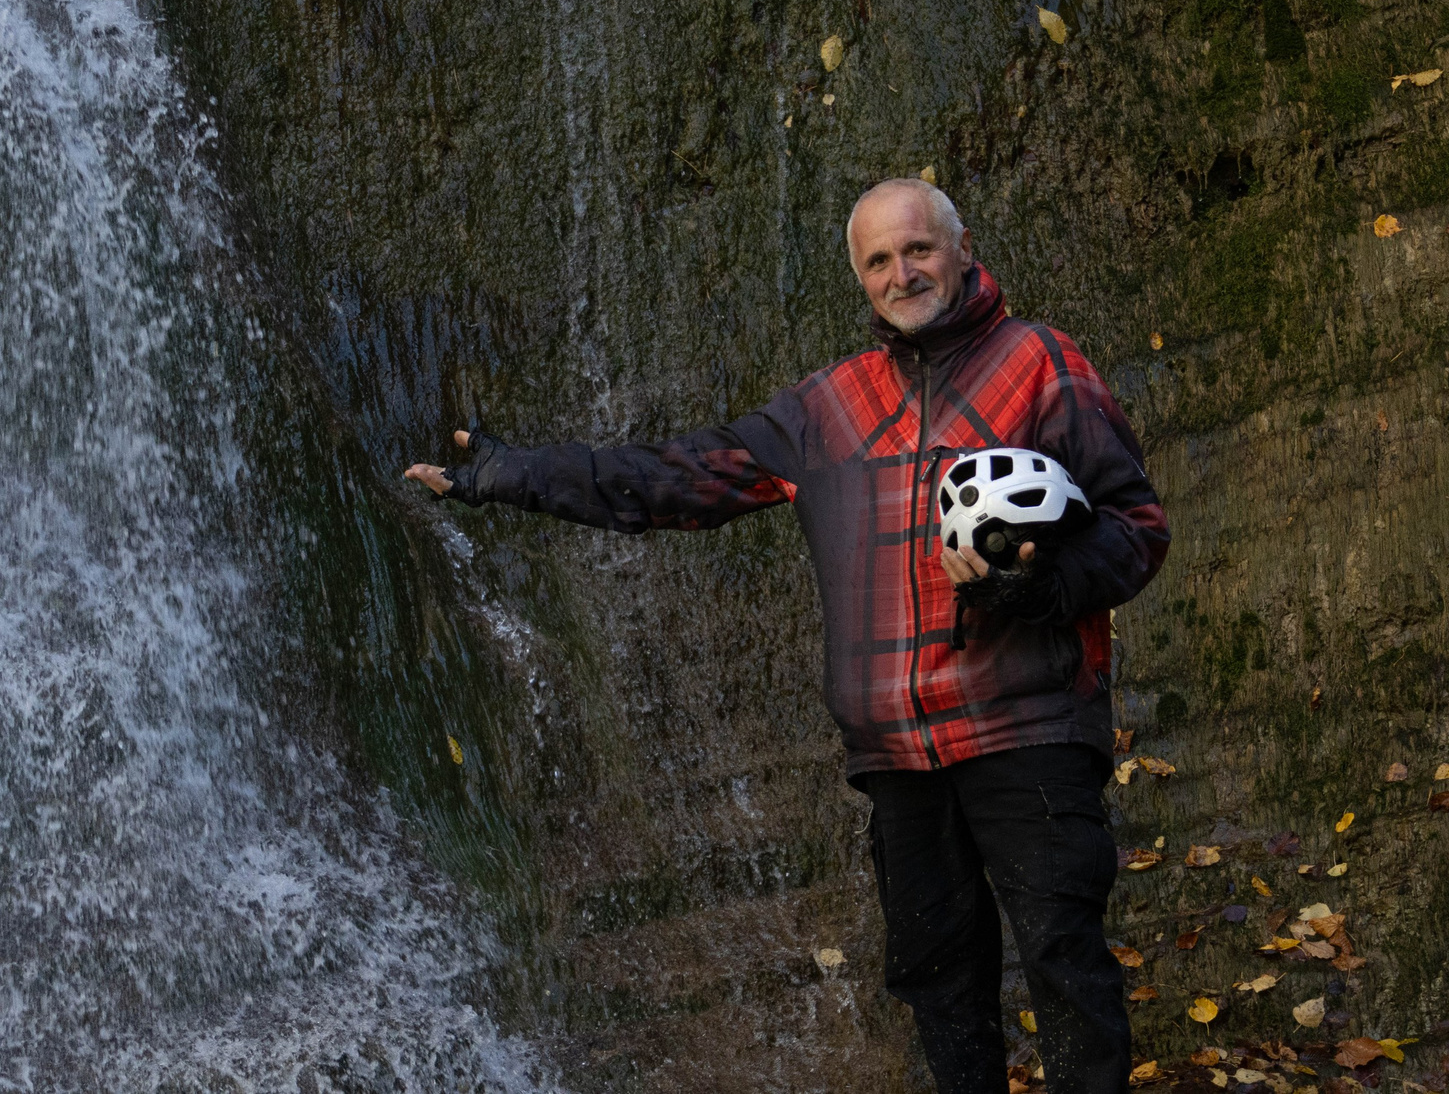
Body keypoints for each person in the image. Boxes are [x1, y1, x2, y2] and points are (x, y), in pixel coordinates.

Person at [404, 178, 1168, 1094]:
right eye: (879, 260)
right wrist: (512, 473)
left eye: (918, 249)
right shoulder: (828, 406)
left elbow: (1137, 528)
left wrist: (1042, 584)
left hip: (1027, 731)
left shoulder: (1041, 364)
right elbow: (673, 477)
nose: (903, 272)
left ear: (962, 250)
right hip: (896, 759)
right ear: (860, 279)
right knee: (939, 983)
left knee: (1065, 966)